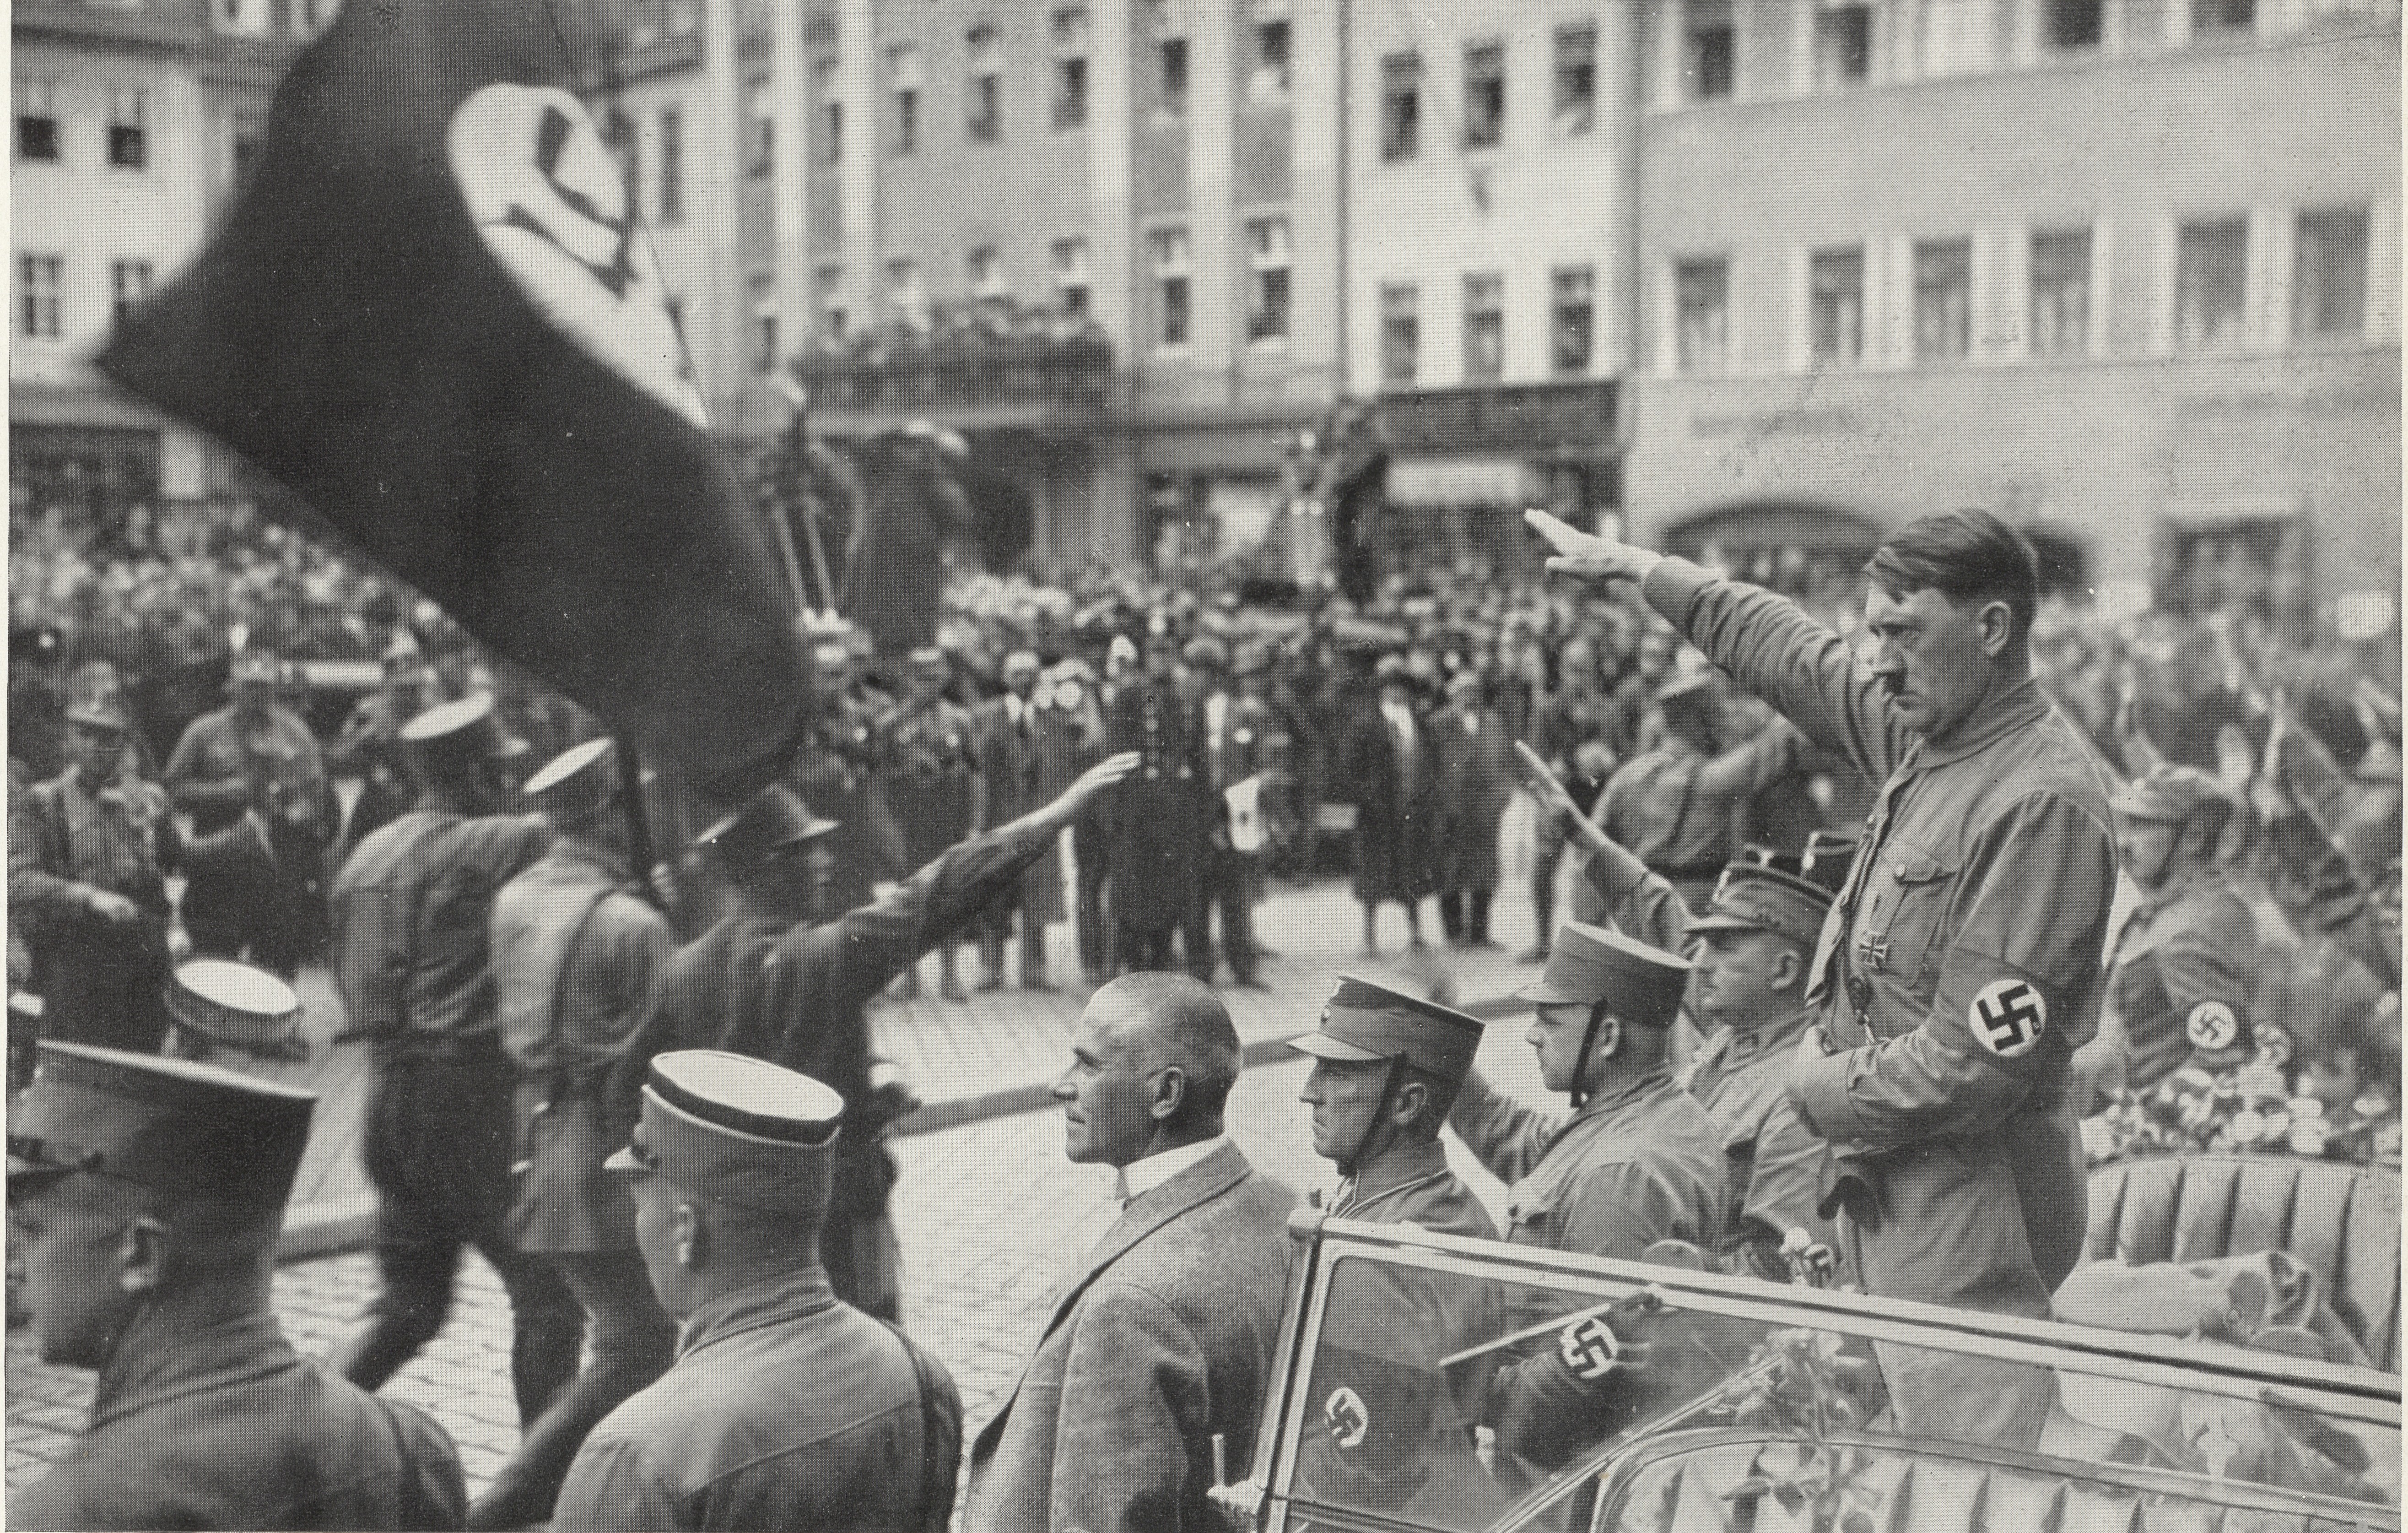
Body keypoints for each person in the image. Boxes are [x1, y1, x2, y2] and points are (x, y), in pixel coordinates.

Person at [1528, 504, 2118, 1449]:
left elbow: (1976, 1063)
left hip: (1967, 1221)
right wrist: (1651, 572)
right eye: (1874, 632)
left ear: (1993, 629)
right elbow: (1800, 660)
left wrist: (1817, 1087)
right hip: (1890, 1198)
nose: (1878, 660)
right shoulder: (1940, 738)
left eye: (1901, 633)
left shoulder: (2038, 800)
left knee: (1957, 1480)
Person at [619, 750, 1141, 1322]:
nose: (822, 862)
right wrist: (1055, 816)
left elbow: (628, 1088)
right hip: (836, 1213)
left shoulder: (682, 971)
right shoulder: (824, 956)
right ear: (766, 868)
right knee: (869, 1339)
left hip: (727, 1227)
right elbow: (937, 892)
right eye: (803, 852)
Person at [7, 1041, 467, 1530]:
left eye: (32, 1229)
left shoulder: (70, 1513)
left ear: (142, 1256)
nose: (12, 1262)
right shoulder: (412, 1452)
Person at [551, 1052, 961, 1533]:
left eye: (641, 1199)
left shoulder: (636, 1456)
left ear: (686, 1230)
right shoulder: (921, 1378)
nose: (638, 1225)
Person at [326, 693, 584, 1437]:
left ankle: (291, 1440)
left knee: (405, 1303)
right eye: (499, 771)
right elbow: (571, 828)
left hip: (386, 1096)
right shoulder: (494, 842)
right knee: (548, 1295)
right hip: (467, 1101)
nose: (507, 784)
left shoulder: (366, 854)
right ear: (475, 774)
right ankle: (539, 1500)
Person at [968, 974, 1296, 1533]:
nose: (1060, 1086)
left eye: (1089, 1066)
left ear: (1165, 1094)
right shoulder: (1281, 1207)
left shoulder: (1131, 1307)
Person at [470, 738, 679, 1531]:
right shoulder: (630, 921)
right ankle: (506, 1507)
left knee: (625, 1338)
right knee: (636, 1344)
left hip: (541, 1136)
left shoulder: (517, 897)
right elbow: (665, 1051)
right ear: (609, 812)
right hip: (605, 1157)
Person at [1289, 976, 1509, 1524]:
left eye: (1338, 1072)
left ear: (1408, 1103)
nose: (1309, 1091)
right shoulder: (1444, 1203)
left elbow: (1356, 1472)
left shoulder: (1380, 1254)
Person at [1448, 920, 1725, 1263]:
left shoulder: (1619, 1178)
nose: (1532, 1035)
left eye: (1550, 1021)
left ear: (1608, 1037)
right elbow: (1530, 1144)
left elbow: (1591, 1314)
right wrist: (1440, 1049)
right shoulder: (1656, 1111)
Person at [9, 672, 179, 1058]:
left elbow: (173, 862)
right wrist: (88, 896)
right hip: (76, 957)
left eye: (108, 736)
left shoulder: (148, 799)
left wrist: (153, 817)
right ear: (68, 738)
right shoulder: (45, 802)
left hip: (141, 954)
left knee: (142, 1061)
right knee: (79, 1066)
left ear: (126, 742)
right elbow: (16, 880)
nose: (94, 746)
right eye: (84, 733)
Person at [2076, 763, 2261, 1107]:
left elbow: (2221, 1059)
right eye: (2127, 825)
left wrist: (2135, 1120)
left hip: (2161, 1141)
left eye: (2144, 827)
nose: (2126, 843)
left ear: (2193, 838)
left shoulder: (2192, 926)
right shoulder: (2162, 913)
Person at [163, 648, 333, 976]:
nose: (256, 695)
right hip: (217, 862)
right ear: (233, 686)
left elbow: (318, 792)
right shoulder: (204, 731)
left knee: (276, 969)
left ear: (274, 689)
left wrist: (293, 808)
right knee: (211, 966)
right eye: (249, 686)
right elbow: (171, 789)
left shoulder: (294, 733)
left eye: (263, 687)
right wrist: (220, 793)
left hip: (277, 868)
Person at [1598, 668, 1798, 911]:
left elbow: (1591, 844)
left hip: (1645, 903)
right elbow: (1775, 744)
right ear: (1697, 720)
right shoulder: (1709, 779)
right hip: (1696, 904)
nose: (1721, 722)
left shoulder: (1627, 777)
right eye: (1713, 714)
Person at [880, 646, 983, 1002]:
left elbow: (975, 773)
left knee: (950, 896)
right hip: (911, 822)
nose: (929, 685)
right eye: (921, 678)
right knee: (909, 899)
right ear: (909, 680)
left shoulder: (960, 720)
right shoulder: (893, 723)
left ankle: (950, 974)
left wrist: (973, 824)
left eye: (936, 677)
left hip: (948, 820)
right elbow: (880, 777)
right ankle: (909, 976)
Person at [1106, 640, 1211, 974]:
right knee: (1135, 888)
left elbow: (1195, 758)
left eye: (1167, 654)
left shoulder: (1184, 699)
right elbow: (1118, 753)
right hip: (1137, 811)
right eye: (1155, 654)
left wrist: (1200, 807)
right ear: (1147, 658)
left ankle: (1162, 958)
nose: (1161, 661)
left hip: (1174, 812)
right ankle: (1133, 963)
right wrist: (1116, 808)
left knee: (1170, 888)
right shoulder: (1131, 696)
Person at [971, 649, 1061, 992]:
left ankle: (1034, 968)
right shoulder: (986, 716)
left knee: (1036, 894)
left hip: (1036, 817)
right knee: (994, 893)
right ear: (1005, 677)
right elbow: (978, 770)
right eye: (1017, 673)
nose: (1025, 679)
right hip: (998, 818)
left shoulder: (1049, 718)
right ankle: (990, 968)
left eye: (1030, 672)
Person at [1189, 635, 1273, 988]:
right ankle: (1200, 969)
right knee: (1197, 897)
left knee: (1235, 894)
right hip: (1199, 815)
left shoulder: (1246, 713)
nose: (1195, 679)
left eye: (1201, 672)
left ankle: (1242, 966)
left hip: (1235, 812)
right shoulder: (1186, 712)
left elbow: (1265, 767)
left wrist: (1244, 795)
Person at [1344, 658, 1439, 954]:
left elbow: (1432, 762)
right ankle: (1369, 936)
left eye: (1402, 687)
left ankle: (1415, 932)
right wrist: (1366, 797)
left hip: (1412, 809)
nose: (1397, 693)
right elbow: (1350, 767)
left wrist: (1426, 794)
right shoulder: (1365, 722)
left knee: (1411, 871)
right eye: (1390, 687)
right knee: (1373, 873)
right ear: (1381, 690)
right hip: (1377, 812)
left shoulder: (1419, 723)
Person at [327, 628, 434, 852]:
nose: (407, 695)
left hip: (427, 800)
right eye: (401, 688)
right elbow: (338, 761)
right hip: (383, 803)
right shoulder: (369, 713)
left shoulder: (436, 712)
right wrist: (362, 743)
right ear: (387, 683)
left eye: (412, 688)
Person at [1431, 669, 1513, 948]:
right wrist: (1440, 804)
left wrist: (1502, 799)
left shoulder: (1493, 722)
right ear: (1452, 696)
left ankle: (1479, 931)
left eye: (1472, 693)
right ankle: (1453, 932)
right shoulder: (1439, 724)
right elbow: (1431, 769)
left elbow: (1504, 764)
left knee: (1485, 870)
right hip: (1451, 809)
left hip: (1485, 809)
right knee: (1450, 869)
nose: (1468, 698)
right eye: (1461, 693)